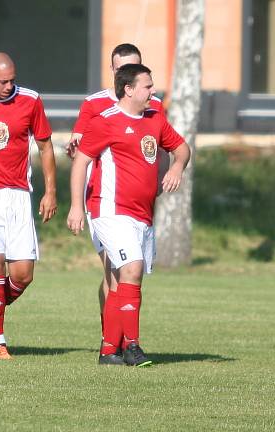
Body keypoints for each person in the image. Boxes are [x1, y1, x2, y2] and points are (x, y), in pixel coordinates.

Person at [67, 64, 190, 366]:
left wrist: (176, 167)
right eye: (147, 86)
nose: (153, 91)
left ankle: (109, 350)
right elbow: (81, 162)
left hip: (142, 215)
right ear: (129, 89)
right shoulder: (105, 121)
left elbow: (183, 148)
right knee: (131, 268)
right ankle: (132, 346)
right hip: (109, 210)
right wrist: (75, 206)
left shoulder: (155, 120)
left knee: (126, 280)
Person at [0, 52, 57, 359]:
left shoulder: (30, 100)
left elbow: (44, 146)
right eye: (3, 81)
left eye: (12, 80)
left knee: (23, 275)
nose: (9, 86)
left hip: (19, 195)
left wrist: (50, 192)